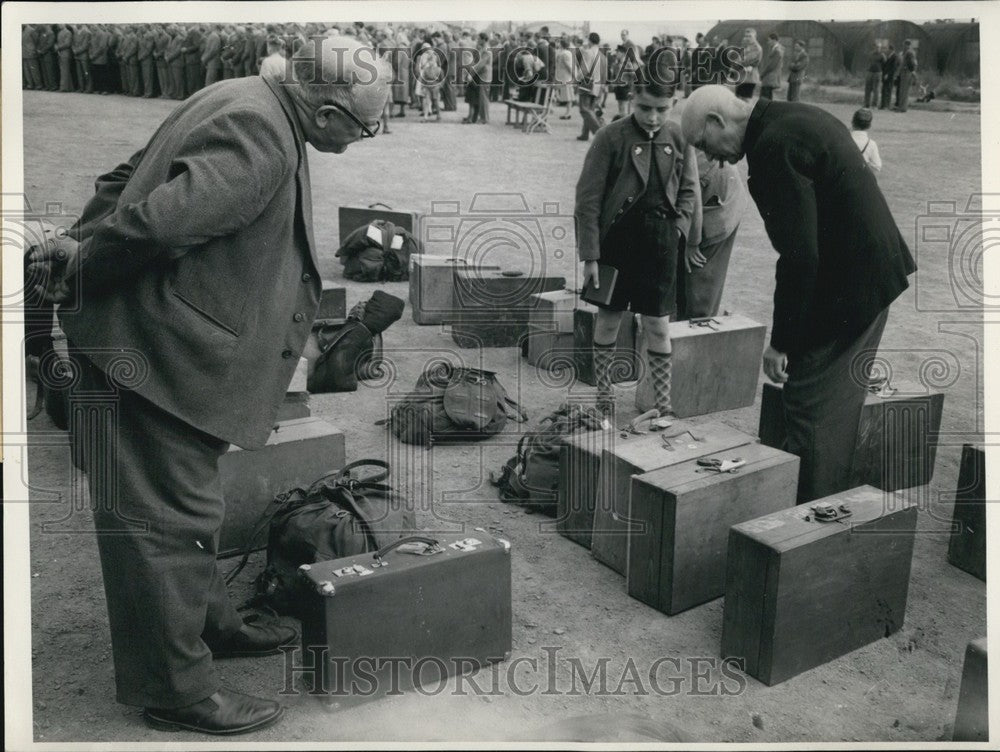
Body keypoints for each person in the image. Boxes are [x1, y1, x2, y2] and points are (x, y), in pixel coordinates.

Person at [27, 34, 391, 737]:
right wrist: (79, 271)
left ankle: (211, 624)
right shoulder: (263, 127)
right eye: (365, 124)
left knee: (186, 504)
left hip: (161, 348)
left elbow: (121, 178)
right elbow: (159, 226)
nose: (368, 134)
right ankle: (174, 689)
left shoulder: (247, 98)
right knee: (161, 526)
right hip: (152, 356)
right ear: (324, 110)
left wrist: (79, 247)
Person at [681, 85, 916, 504]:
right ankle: (817, 509)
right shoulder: (794, 114)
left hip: (853, 284)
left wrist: (781, 343)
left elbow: (799, 257)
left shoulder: (773, 148)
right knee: (832, 403)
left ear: (717, 122)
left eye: (703, 143)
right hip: (872, 272)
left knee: (809, 403)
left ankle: (810, 523)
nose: (710, 157)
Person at [575, 79, 698, 418]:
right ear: (632, 100)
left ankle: (662, 406)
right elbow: (588, 200)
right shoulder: (609, 137)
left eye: (663, 109)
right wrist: (591, 255)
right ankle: (604, 398)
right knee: (608, 319)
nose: (654, 117)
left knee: (658, 324)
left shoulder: (679, 137)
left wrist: (679, 228)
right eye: (645, 108)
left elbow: (688, 190)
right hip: (615, 243)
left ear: (674, 104)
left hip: (660, 243)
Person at [677, 148, 748, 319]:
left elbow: (691, 196)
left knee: (699, 282)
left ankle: (698, 329)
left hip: (717, 206)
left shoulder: (691, 163)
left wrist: (692, 243)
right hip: (708, 193)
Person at [576, 32, 606, 142]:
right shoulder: (602, 55)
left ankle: (599, 132)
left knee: (584, 109)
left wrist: (577, 78)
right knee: (591, 110)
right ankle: (585, 134)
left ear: (589, 40)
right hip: (598, 86)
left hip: (587, 84)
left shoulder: (589, 53)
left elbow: (584, 69)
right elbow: (604, 73)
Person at [850, 107, 882, 173]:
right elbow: (877, 166)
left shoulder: (844, 138)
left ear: (852, 122)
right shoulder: (871, 144)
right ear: (869, 126)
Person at [736, 28, 762, 99]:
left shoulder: (756, 48)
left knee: (745, 100)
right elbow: (739, 59)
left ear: (755, 37)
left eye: (750, 36)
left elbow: (748, 60)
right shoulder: (746, 46)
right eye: (746, 36)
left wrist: (738, 62)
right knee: (738, 99)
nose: (747, 38)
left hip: (749, 78)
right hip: (742, 77)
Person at [893, 39, 917, 112]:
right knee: (902, 91)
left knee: (904, 91)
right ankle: (901, 106)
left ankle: (903, 108)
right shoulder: (907, 52)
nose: (904, 46)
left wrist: (910, 70)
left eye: (905, 44)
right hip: (904, 72)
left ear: (907, 45)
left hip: (906, 72)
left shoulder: (909, 53)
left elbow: (912, 64)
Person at [758, 32, 783, 100]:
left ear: (774, 40)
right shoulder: (775, 49)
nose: (768, 42)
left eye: (769, 40)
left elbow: (772, 66)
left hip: (770, 77)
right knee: (766, 97)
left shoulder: (777, 51)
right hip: (770, 77)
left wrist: (763, 74)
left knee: (765, 97)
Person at [555, 38, 574, 119]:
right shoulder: (564, 53)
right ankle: (567, 112)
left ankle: (568, 113)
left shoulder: (564, 53)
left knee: (568, 96)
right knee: (566, 95)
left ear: (561, 44)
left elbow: (568, 65)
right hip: (563, 75)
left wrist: (573, 75)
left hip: (565, 76)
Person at [71, 23, 91, 93]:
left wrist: (76, 51)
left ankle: (88, 88)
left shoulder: (87, 33)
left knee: (86, 72)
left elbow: (85, 45)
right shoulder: (75, 32)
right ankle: (81, 87)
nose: (76, 24)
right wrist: (73, 49)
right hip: (77, 55)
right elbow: (72, 43)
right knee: (79, 73)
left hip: (83, 55)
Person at [864, 41, 884, 108]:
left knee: (876, 90)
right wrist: (867, 70)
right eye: (876, 47)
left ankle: (874, 105)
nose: (877, 48)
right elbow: (868, 62)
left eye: (878, 47)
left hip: (877, 73)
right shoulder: (871, 54)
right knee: (867, 89)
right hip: (870, 72)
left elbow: (885, 64)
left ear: (880, 48)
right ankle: (866, 104)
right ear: (874, 47)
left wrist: (882, 72)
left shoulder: (882, 55)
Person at [56, 24, 75, 92]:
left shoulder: (68, 32)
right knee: (64, 70)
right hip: (61, 53)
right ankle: (69, 87)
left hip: (65, 52)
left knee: (64, 70)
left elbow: (67, 43)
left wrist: (58, 47)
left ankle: (63, 87)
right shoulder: (60, 32)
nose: (59, 25)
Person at [880, 43, 898, 110]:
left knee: (888, 90)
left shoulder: (895, 56)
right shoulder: (889, 56)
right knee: (884, 90)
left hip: (890, 76)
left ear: (891, 49)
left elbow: (893, 68)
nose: (887, 50)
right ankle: (883, 104)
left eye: (888, 49)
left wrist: (888, 74)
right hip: (885, 75)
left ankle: (887, 105)